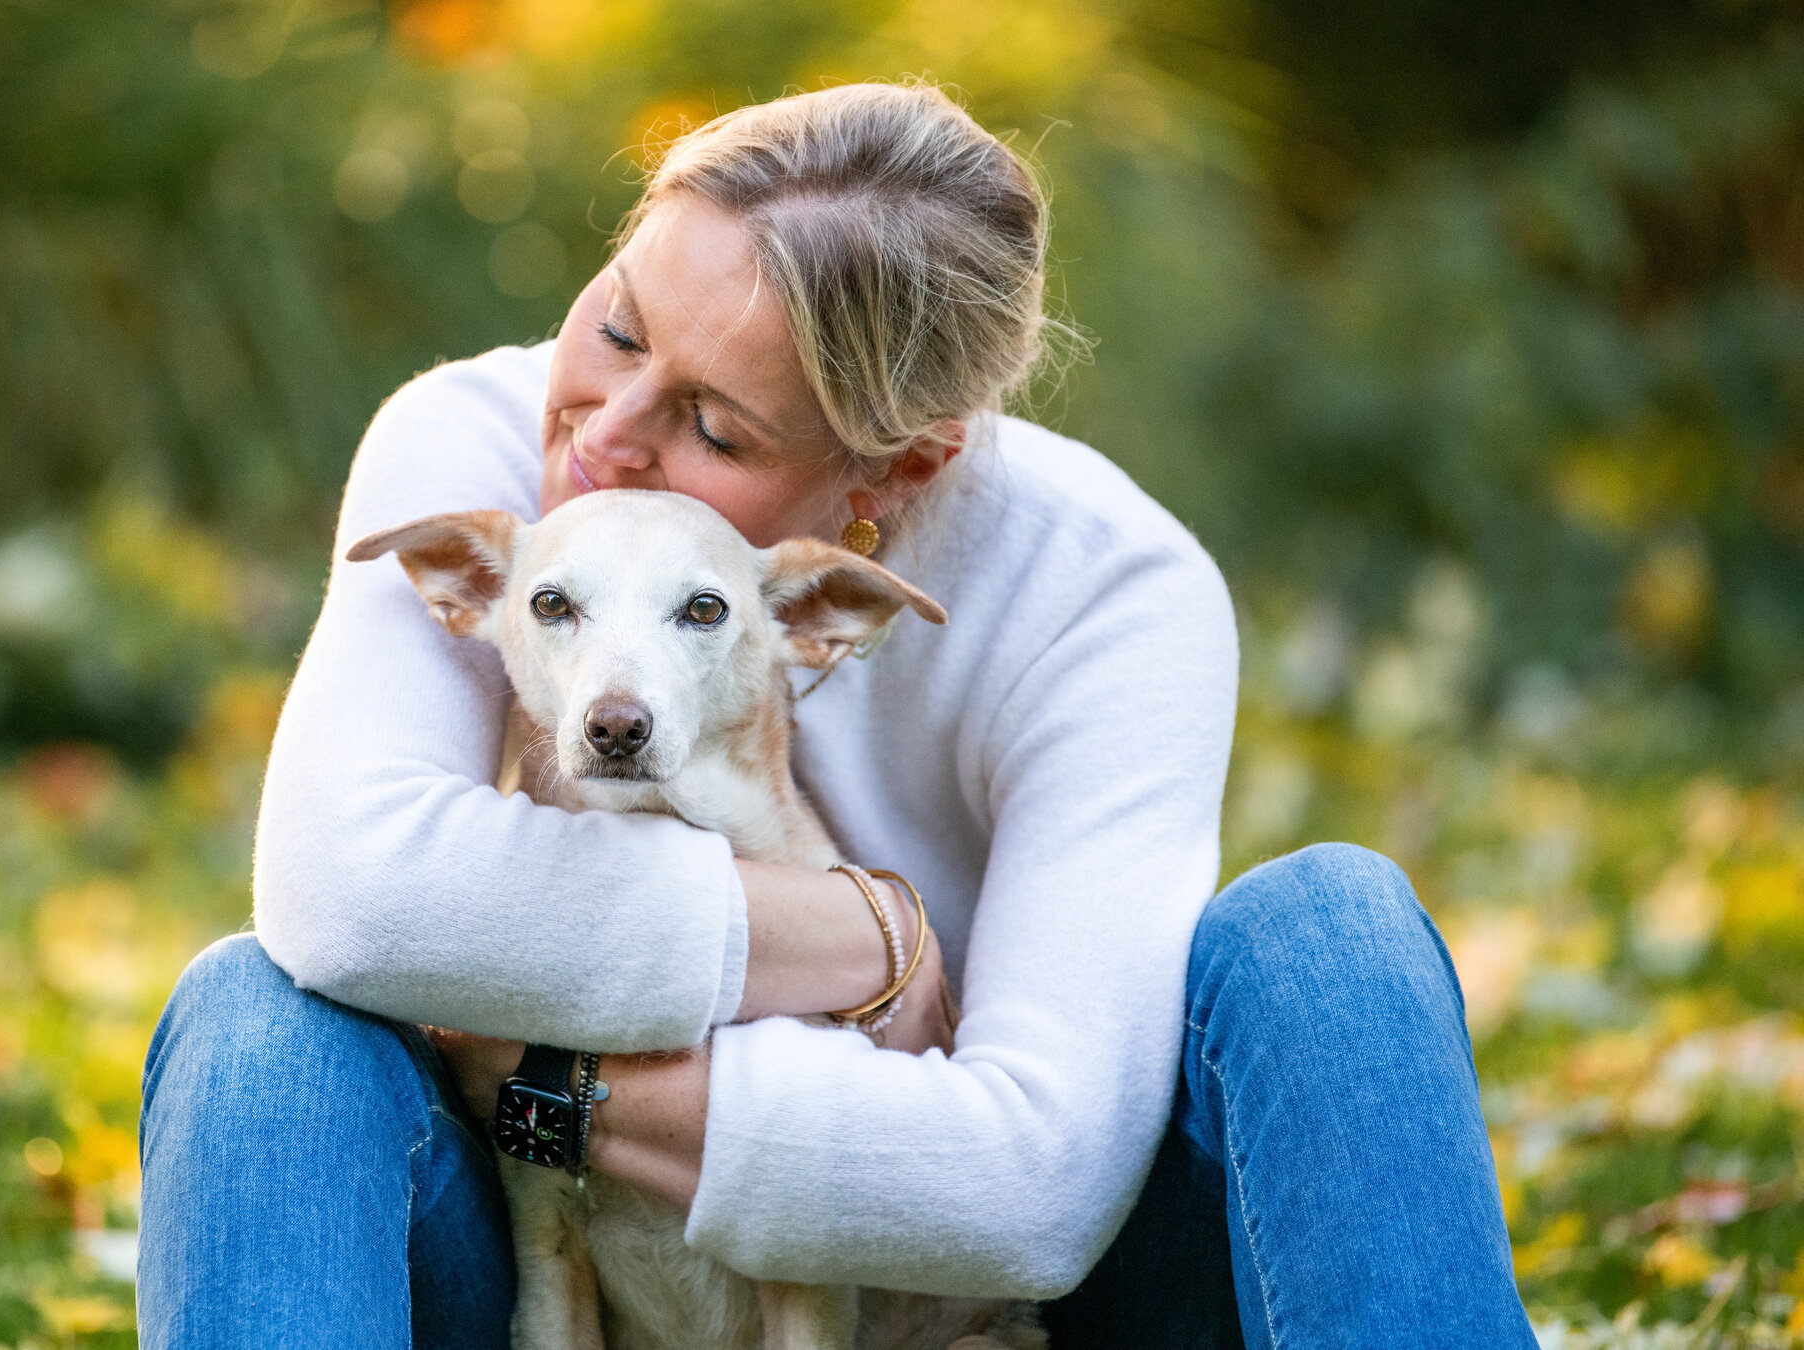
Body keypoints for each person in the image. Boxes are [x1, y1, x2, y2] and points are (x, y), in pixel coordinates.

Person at [136, 82, 1533, 1349]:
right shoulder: (485, 444)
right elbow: (345, 892)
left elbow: (1032, 1192)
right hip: (550, 1280)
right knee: (254, 1021)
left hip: (997, 1310)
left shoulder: (1110, 590)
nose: (603, 436)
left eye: (715, 429)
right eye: (618, 324)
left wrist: (552, 1093)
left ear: (898, 469)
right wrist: (866, 942)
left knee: (1327, 932)